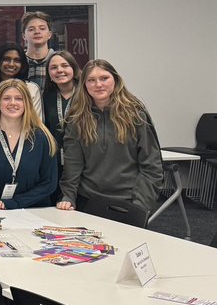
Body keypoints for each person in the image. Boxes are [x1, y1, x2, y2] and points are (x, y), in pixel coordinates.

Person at [58, 60, 163, 214]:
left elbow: (151, 166)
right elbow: (73, 164)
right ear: (84, 84)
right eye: (91, 80)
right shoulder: (76, 118)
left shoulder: (136, 115)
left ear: (115, 79)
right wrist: (68, 196)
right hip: (88, 200)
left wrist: (140, 205)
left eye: (104, 78)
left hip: (129, 201)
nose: (98, 84)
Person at [0, 80, 58, 210]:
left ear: (27, 104)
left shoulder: (42, 137)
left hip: (34, 211)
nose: (13, 103)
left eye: (19, 98)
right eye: (6, 98)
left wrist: (17, 202)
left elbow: (49, 183)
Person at [0, 43, 44, 118]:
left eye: (17, 60)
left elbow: (35, 122)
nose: (11, 64)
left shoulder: (31, 89)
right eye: (6, 59)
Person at [41, 50, 81, 155]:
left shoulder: (86, 94)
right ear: (49, 73)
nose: (59, 70)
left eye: (65, 65)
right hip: (54, 154)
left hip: (83, 155)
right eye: (53, 67)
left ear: (74, 69)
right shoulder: (45, 97)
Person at [22, 11, 54, 91]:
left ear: (50, 34)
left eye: (42, 28)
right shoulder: (18, 63)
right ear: (24, 36)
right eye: (31, 29)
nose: (37, 32)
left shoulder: (59, 62)